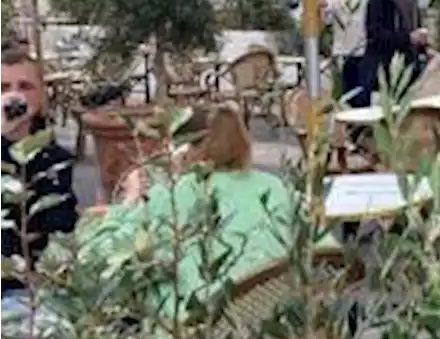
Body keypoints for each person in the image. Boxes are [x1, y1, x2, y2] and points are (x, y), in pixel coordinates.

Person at [81, 104, 308, 318]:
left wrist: (129, 200)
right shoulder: (275, 188)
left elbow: (97, 257)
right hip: (273, 323)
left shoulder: (176, 194)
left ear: (186, 149)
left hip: (194, 330)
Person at [0, 49, 78, 305]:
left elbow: (61, 226)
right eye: (3, 87)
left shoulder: (56, 159)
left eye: (25, 86)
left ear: (41, 97)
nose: (13, 96)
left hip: (36, 290)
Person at [365, 0, 430, 90]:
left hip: (408, 62)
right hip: (387, 63)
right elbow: (375, 32)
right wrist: (407, 38)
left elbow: (414, 22)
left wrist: (423, 46)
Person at [320, 0, 371, 107]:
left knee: (363, 94)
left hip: (365, 48)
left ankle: (363, 129)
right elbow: (325, 19)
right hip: (342, 50)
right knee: (345, 95)